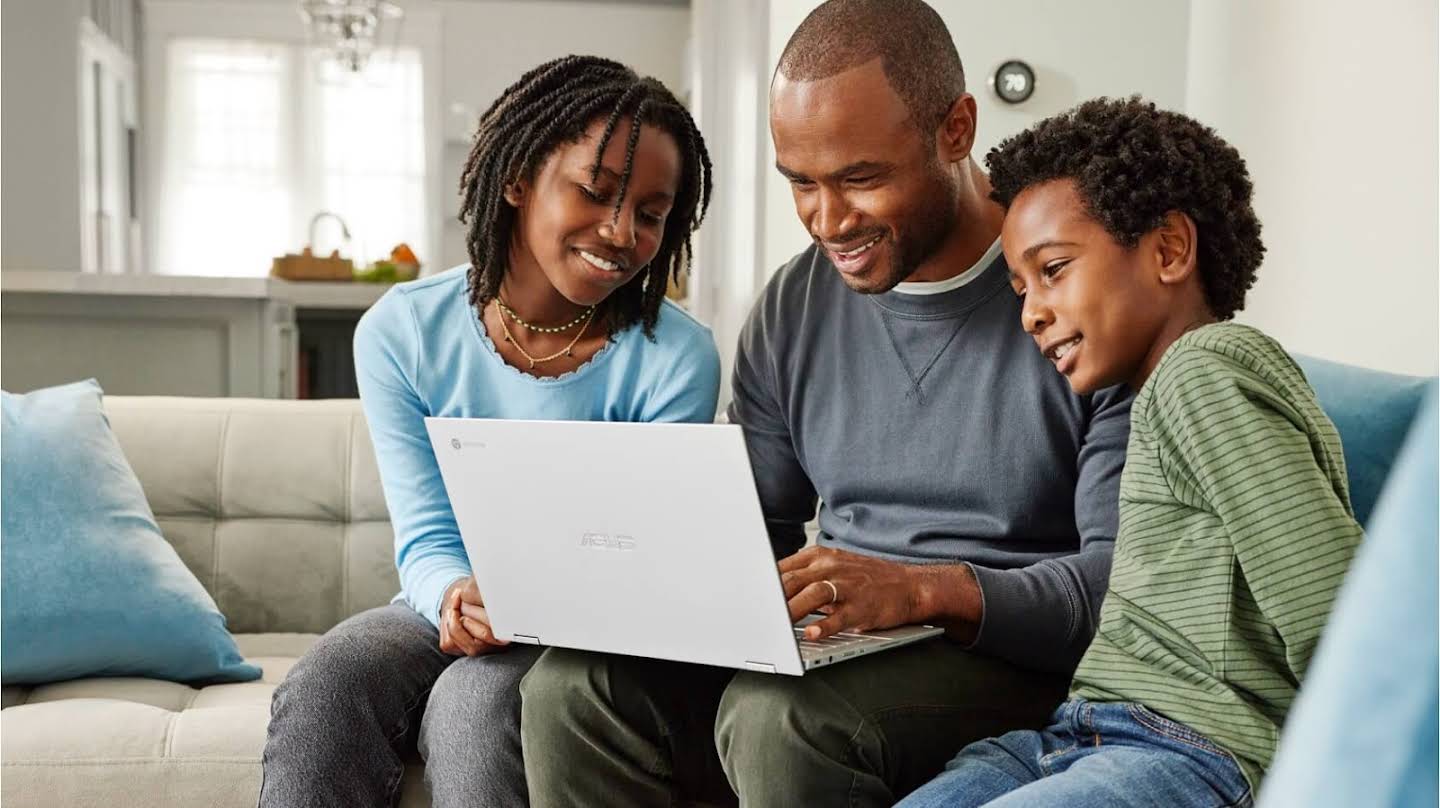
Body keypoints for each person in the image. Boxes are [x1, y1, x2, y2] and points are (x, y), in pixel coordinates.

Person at [518, 3, 1132, 806]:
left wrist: (919, 591)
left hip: (1010, 653)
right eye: (801, 184)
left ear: (956, 129)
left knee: (782, 715)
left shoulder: (1080, 290)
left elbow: (1121, 585)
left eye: (861, 179)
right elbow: (754, 527)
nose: (827, 221)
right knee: (574, 688)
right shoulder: (795, 306)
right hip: (839, 648)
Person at [258, 55, 719, 808]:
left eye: (651, 212)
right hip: (449, 601)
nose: (620, 231)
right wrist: (454, 598)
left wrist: (538, 602)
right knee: (331, 677)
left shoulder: (677, 357)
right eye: (596, 192)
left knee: (474, 708)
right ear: (516, 178)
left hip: (582, 630)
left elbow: (638, 560)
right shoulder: (401, 332)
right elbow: (426, 536)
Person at [897, 96, 1364, 808]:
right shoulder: (1159, 397)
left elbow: (1329, 609)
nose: (1030, 313)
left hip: (1188, 747)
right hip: (1073, 738)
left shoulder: (1201, 371)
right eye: (1021, 289)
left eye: (1053, 270)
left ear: (1169, 250)